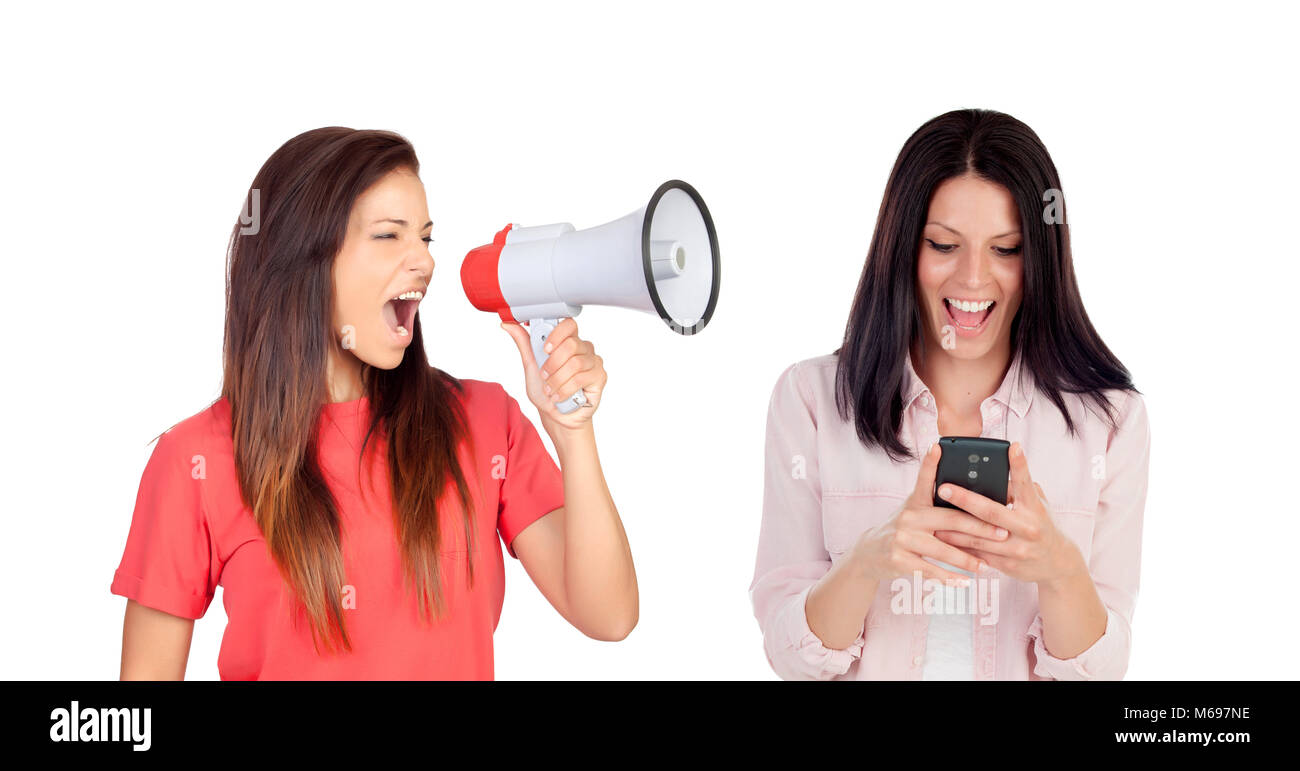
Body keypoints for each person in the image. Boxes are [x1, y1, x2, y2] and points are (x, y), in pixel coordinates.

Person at [112, 127, 637, 679]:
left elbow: (610, 615)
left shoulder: (486, 423)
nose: (425, 263)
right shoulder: (194, 460)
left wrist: (571, 432)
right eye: (390, 236)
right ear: (301, 259)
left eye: (427, 239)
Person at [750, 109, 1150, 680]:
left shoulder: (1109, 422)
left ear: (1039, 257)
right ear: (903, 250)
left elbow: (1103, 672)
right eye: (943, 245)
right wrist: (869, 561)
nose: (971, 279)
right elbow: (790, 657)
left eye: (1006, 249)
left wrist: (1059, 569)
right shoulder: (811, 401)